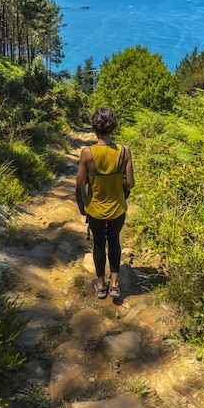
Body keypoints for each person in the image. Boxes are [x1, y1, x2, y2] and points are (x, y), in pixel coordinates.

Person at [76, 108, 135, 299]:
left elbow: (79, 183)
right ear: (112, 127)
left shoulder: (87, 153)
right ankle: (115, 285)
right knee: (114, 241)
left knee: (99, 244)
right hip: (117, 208)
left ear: (95, 129)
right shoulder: (124, 151)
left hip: (95, 209)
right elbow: (130, 183)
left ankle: (101, 286)